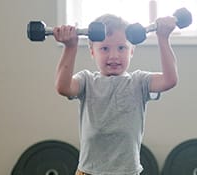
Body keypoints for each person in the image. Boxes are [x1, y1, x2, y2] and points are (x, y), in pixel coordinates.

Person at [53, 14, 178, 175]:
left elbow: (170, 80)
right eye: (105, 48)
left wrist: (163, 38)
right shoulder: (86, 80)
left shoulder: (139, 82)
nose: (114, 56)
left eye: (121, 48)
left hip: (127, 172)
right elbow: (63, 87)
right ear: (92, 52)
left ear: (132, 50)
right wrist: (70, 47)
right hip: (89, 171)